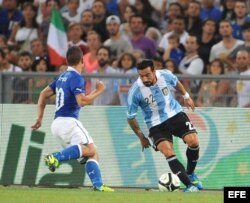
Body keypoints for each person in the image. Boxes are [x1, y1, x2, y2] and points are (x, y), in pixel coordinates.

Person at [31, 46, 114, 192]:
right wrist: (98, 91)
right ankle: (56, 157)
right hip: (68, 121)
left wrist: (39, 117)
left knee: (91, 152)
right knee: (90, 148)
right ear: (82, 60)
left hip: (56, 124)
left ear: (67, 61)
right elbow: (81, 102)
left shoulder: (62, 76)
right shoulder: (76, 77)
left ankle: (98, 185)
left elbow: (43, 94)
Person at [126, 59, 203, 192]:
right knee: (168, 152)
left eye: (147, 75)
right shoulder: (135, 91)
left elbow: (176, 82)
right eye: (141, 76)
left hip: (174, 114)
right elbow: (130, 118)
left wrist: (186, 96)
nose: (144, 79)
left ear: (154, 71)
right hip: (155, 124)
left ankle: (190, 173)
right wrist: (141, 136)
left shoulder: (165, 75)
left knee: (194, 141)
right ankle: (190, 186)